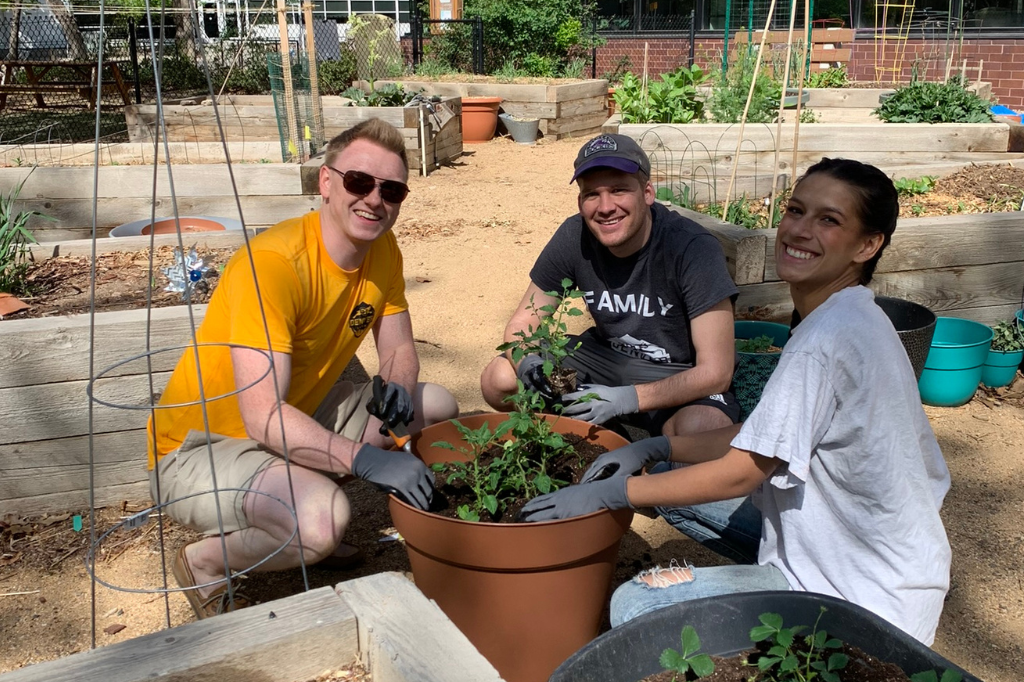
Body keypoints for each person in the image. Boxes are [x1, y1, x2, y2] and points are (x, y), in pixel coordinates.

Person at [520, 158, 952, 645]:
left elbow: (744, 471)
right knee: (668, 481)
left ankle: (797, 627)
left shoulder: (823, 341)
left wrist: (614, 494)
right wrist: (656, 450)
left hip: (857, 595)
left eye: (829, 220)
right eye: (795, 210)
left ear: (868, 245)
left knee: (639, 604)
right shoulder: (857, 315)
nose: (800, 230)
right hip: (882, 553)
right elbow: (766, 437)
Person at [147, 118, 459, 619]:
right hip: (200, 450)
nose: (375, 200)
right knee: (319, 521)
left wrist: (398, 386)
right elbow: (262, 417)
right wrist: (362, 458)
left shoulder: (383, 251)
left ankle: (299, 503)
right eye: (360, 182)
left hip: (295, 415)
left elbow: (398, 349)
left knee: (433, 405)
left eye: (392, 189)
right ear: (327, 182)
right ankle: (205, 561)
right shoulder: (274, 265)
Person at [480, 133, 740, 440]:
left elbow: (716, 372)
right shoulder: (573, 236)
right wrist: (529, 365)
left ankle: (649, 450)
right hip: (603, 359)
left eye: (619, 190)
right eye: (592, 194)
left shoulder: (691, 248)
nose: (605, 207)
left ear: (647, 193)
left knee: (703, 426)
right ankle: (599, 434)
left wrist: (627, 399)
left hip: (674, 370)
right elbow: (522, 324)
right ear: (580, 201)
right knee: (499, 378)